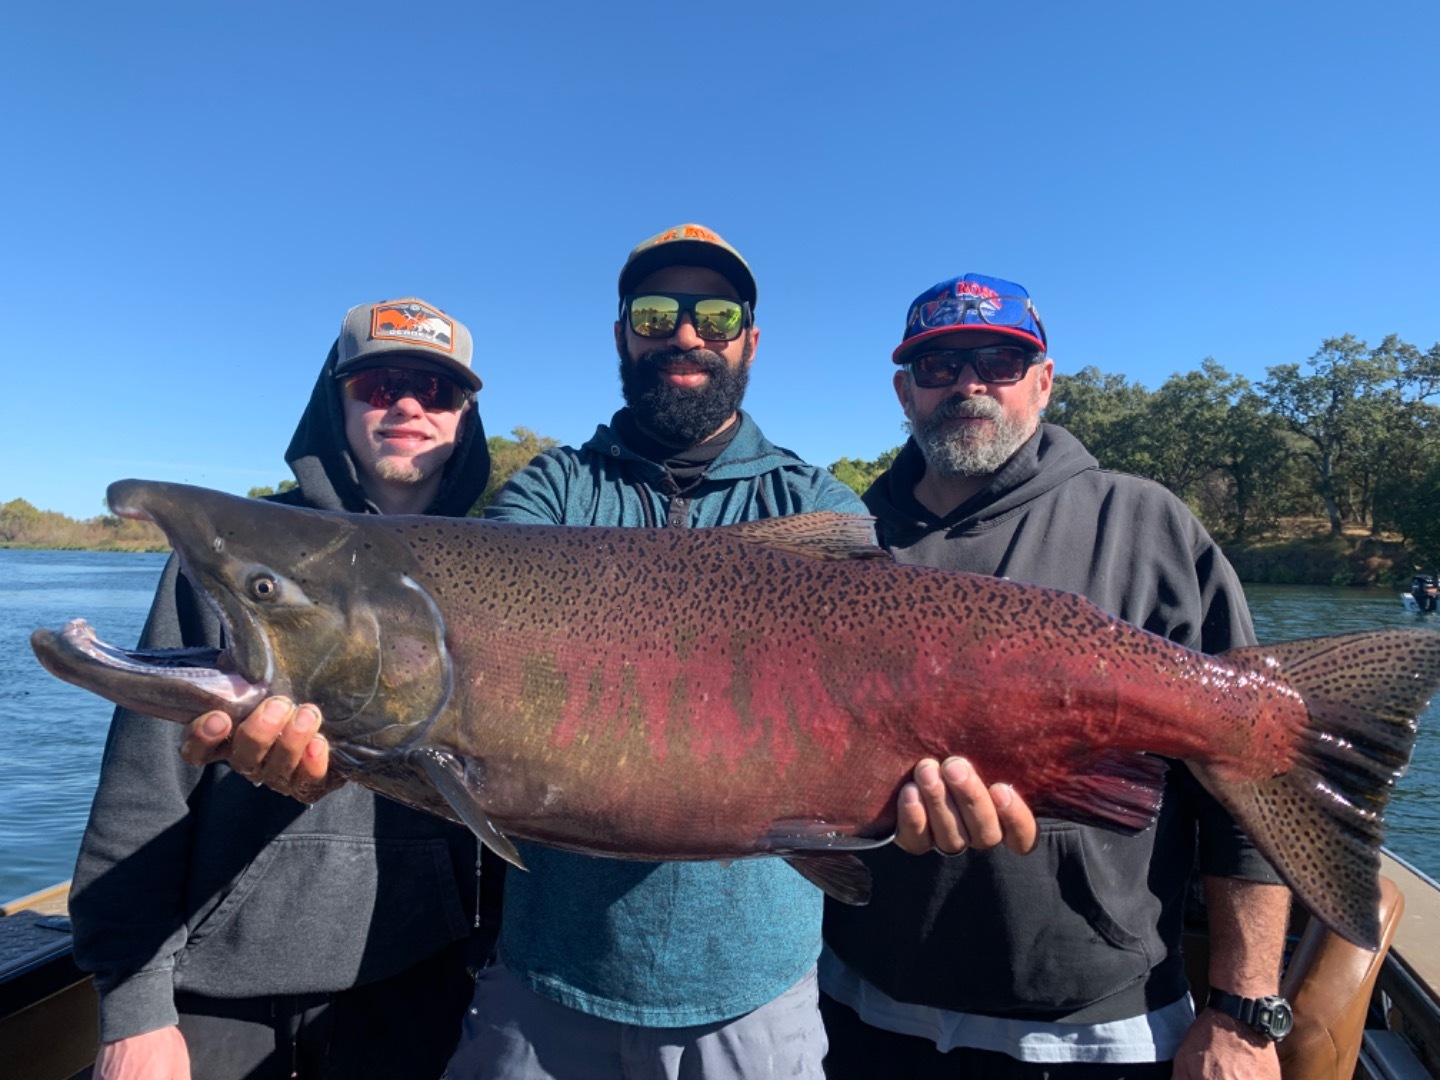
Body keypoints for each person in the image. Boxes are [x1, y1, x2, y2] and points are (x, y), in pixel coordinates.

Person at [183, 229, 1039, 1079]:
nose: (686, 333)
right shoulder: (550, 492)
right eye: (657, 312)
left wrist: (912, 810)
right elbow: (460, 665)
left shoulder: (815, 499)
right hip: (544, 985)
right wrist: (347, 744)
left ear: (750, 338)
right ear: (623, 333)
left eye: (716, 313)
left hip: (758, 998)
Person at [820, 273, 1293, 1079]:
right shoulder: (843, 545)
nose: (968, 384)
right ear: (905, 392)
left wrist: (1244, 1012)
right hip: (863, 1009)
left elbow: (1255, 777)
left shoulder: (1146, 525)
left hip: (1099, 1026)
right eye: (938, 367)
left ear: (1043, 382)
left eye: (999, 361)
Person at [70, 297, 497, 1080]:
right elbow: (140, 794)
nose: (407, 405)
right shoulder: (233, 559)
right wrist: (134, 1011)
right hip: (220, 1001)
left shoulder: (503, 568)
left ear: (466, 415)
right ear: (333, 398)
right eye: (379, 384)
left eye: (437, 391)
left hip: (423, 987)